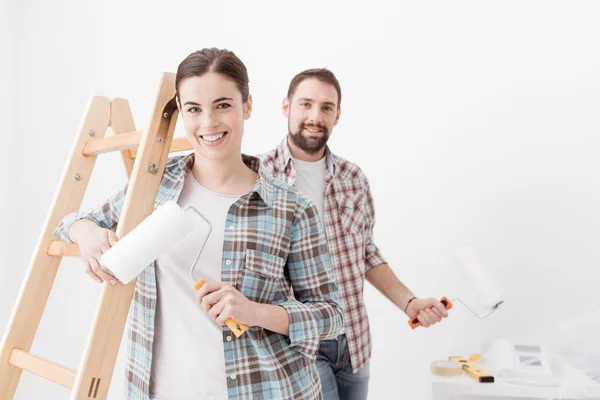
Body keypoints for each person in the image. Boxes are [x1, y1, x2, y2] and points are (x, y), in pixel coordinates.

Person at [54, 50, 343, 400]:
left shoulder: (291, 208)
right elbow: (72, 221)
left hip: (268, 390)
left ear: (247, 106)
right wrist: (85, 233)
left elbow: (331, 316)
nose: (208, 122)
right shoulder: (155, 185)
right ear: (181, 110)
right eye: (193, 109)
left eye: (222, 105)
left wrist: (254, 312)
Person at [260, 68, 448, 400]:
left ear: (337, 116)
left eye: (326, 107)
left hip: (353, 342)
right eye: (305, 104)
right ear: (286, 106)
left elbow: (366, 254)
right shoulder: (257, 177)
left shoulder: (352, 178)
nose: (315, 116)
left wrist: (410, 303)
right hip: (299, 344)